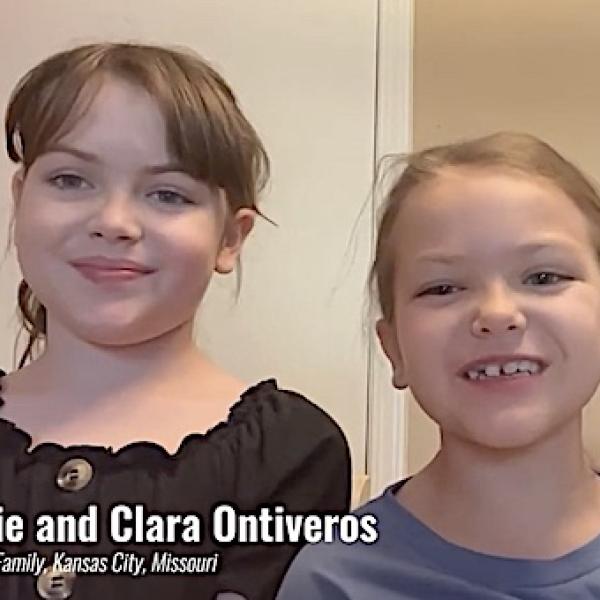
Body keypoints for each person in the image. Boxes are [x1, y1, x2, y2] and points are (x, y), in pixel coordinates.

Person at [0, 42, 350, 600]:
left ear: (231, 238)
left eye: (167, 194)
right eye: (70, 180)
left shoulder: (292, 453)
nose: (114, 222)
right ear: (21, 199)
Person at [276, 132, 600, 599]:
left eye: (543, 277)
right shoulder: (334, 581)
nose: (496, 314)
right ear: (394, 350)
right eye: (443, 288)